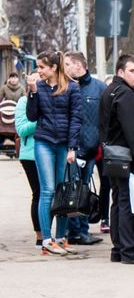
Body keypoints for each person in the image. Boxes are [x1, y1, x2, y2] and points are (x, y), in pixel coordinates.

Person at [99, 54, 134, 265]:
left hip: (114, 156)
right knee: (127, 203)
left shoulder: (112, 91)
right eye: (132, 71)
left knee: (119, 202)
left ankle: (119, 249)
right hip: (125, 157)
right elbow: (133, 131)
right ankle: (130, 251)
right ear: (120, 72)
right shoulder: (125, 94)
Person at [26, 51, 81, 255]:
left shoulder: (72, 87)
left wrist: (72, 148)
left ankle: (61, 237)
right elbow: (32, 116)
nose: (38, 71)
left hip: (64, 144)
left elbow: (76, 118)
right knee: (47, 190)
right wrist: (32, 92)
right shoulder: (37, 87)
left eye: (42, 67)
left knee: (62, 190)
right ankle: (46, 239)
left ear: (53, 68)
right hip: (44, 142)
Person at [62, 51, 105, 246]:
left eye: (68, 64)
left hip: (90, 150)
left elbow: (104, 119)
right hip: (70, 149)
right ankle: (75, 231)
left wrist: (99, 144)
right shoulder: (65, 87)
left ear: (79, 65)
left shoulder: (99, 89)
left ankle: (82, 230)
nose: (65, 68)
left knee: (84, 191)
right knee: (73, 191)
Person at [15, 71, 41, 248]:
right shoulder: (23, 102)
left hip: (51, 151)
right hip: (30, 155)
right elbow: (22, 130)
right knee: (39, 193)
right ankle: (40, 236)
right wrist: (41, 121)